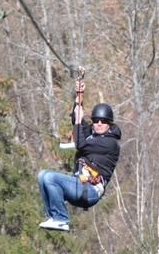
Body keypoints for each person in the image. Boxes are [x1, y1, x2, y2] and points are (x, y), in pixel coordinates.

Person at [37, 77, 121, 231]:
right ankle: (53, 216)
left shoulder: (110, 143)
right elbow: (77, 119)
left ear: (109, 124)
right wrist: (79, 97)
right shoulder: (92, 135)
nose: (99, 124)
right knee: (42, 175)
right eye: (96, 121)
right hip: (79, 184)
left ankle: (61, 218)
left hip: (90, 190)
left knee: (50, 177)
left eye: (103, 121)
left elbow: (80, 143)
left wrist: (77, 123)